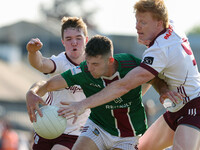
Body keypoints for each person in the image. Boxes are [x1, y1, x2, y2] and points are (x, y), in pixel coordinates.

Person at [57, 0, 200, 149]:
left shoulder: (159, 50)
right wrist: (163, 90)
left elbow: (123, 85)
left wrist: (82, 104)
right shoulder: (171, 27)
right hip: (176, 108)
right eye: (137, 21)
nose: (137, 27)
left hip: (196, 107)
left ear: (159, 23)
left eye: (143, 22)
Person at [26, 35, 177, 150]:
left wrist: (163, 91)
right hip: (98, 127)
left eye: (95, 64)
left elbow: (153, 78)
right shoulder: (83, 70)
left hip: (129, 135)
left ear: (110, 61)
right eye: (88, 62)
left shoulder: (130, 63)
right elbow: (48, 85)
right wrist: (31, 93)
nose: (90, 68)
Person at [26, 16, 90, 150]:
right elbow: (41, 63)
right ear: (63, 42)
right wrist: (33, 52)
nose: (74, 42)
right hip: (47, 125)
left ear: (86, 40)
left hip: (75, 132)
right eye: (69, 39)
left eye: (78, 38)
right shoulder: (61, 61)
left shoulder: (94, 65)